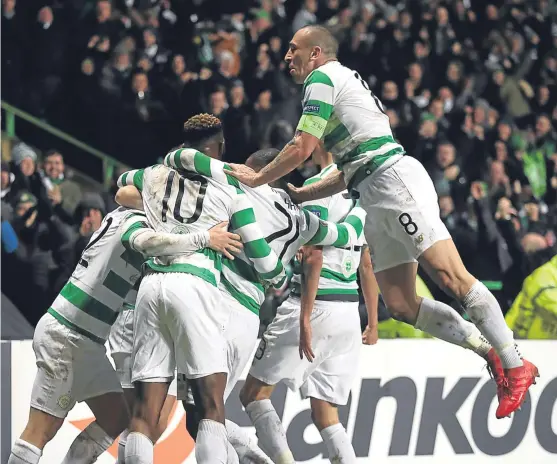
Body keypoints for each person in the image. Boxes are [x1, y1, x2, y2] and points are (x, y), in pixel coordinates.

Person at [226, 25, 539, 419]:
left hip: (393, 180)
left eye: (294, 50)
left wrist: (257, 178)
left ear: (316, 52)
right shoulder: (340, 85)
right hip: (371, 190)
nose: (287, 57)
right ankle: (489, 350)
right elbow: (348, 169)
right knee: (402, 303)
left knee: (451, 277)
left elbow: (301, 147)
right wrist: (303, 194)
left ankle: (514, 364)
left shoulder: (322, 78)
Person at [7, 205, 241, 464]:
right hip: (67, 333)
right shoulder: (135, 221)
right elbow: (147, 242)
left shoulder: (119, 214)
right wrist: (205, 238)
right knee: (39, 431)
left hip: (87, 340)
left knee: (117, 416)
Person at [117, 114, 287, 464]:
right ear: (221, 148)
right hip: (195, 285)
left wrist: (154, 204)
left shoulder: (154, 175)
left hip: (150, 287)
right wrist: (281, 277)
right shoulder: (231, 188)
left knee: (145, 411)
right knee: (211, 405)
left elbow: (122, 183)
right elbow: (262, 258)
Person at [238, 145, 379, 464]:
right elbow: (366, 264)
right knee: (326, 414)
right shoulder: (356, 192)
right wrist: (372, 320)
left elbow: (314, 255)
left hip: (315, 305)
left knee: (253, 395)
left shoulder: (316, 187)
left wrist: (304, 319)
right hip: (348, 310)